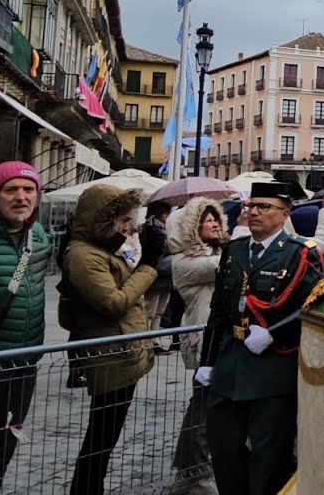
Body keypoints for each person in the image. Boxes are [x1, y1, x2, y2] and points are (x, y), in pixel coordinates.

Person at [198, 181, 324, 495]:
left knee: (270, 454)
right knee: (225, 447)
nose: (253, 212)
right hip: (231, 363)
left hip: (273, 367)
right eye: (250, 206)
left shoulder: (300, 253)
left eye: (264, 207)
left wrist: (273, 334)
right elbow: (219, 311)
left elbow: (311, 309)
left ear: (284, 214)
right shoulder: (235, 250)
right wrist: (208, 361)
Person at [57, 185, 157, 495]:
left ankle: (90, 487)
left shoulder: (101, 249)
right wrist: (148, 267)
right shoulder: (83, 255)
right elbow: (112, 302)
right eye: (124, 220)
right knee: (100, 438)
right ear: (104, 220)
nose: (129, 227)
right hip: (110, 354)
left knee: (105, 437)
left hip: (122, 350)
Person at [0, 162, 50, 495]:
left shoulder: (38, 236)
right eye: (10, 190)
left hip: (22, 366)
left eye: (28, 190)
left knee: (1, 452)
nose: (20, 197)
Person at [169, 198, 228, 494]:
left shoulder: (217, 253)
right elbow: (224, 264)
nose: (216, 223)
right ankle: (196, 474)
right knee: (202, 413)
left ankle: (188, 475)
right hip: (204, 343)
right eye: (208, 220)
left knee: (205, 410)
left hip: (219, 341)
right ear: (193, 228)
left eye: (217, 218)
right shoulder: (185, 262)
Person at [140, 201, 174, 353]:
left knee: (159, 311)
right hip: (153, 274)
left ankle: (154, 340)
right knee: (150, 311)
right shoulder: (150, 228)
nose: (168, 216)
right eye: (166, 213)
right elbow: (152, 251)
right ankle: (146, 341)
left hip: (165, 276)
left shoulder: (165, 229)